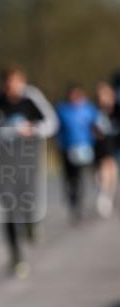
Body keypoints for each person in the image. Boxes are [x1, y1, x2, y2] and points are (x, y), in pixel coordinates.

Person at [0, 64, 58, 278]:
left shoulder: (31, 99)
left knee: (28, 201)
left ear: (22, 81)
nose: (11, 88)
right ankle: (16, 258)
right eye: (7, 83)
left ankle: (32, 222)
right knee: (10, 209)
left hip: (29, 163)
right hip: (4, 166)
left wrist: (34, 130)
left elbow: (51, 123)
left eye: (15, 83)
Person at [55, 84, 97, 222]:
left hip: (84, 147)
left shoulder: (89, 109)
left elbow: (96, 124)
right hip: (66, 148)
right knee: (69, 177)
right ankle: (72, 198)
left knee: (79, 176)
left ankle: (78, 203)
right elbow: (55, 128)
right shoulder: (62, 109)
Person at [92, 79, 120, 218]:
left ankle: (108, 194)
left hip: (115, 143)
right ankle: (103, 194)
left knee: (113, 171)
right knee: (105, 168)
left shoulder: (116, 111)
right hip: (100, 145)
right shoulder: (94, 111)